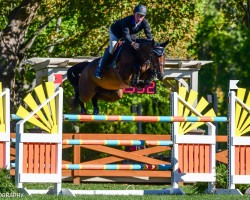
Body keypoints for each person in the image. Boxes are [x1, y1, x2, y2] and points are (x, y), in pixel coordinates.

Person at [95, 4, 153, 79]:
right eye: (138, 15)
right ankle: (100, 69)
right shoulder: (127, 20)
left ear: (144, 17)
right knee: (112, 48)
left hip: (130, 34)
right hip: (115, 32)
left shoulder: (145, 23)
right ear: (134, 14)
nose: (139, 18)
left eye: (141, 16)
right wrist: (132, 43)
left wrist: (153, 44)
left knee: (138, 46)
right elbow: (126, 37)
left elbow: (149, 36)